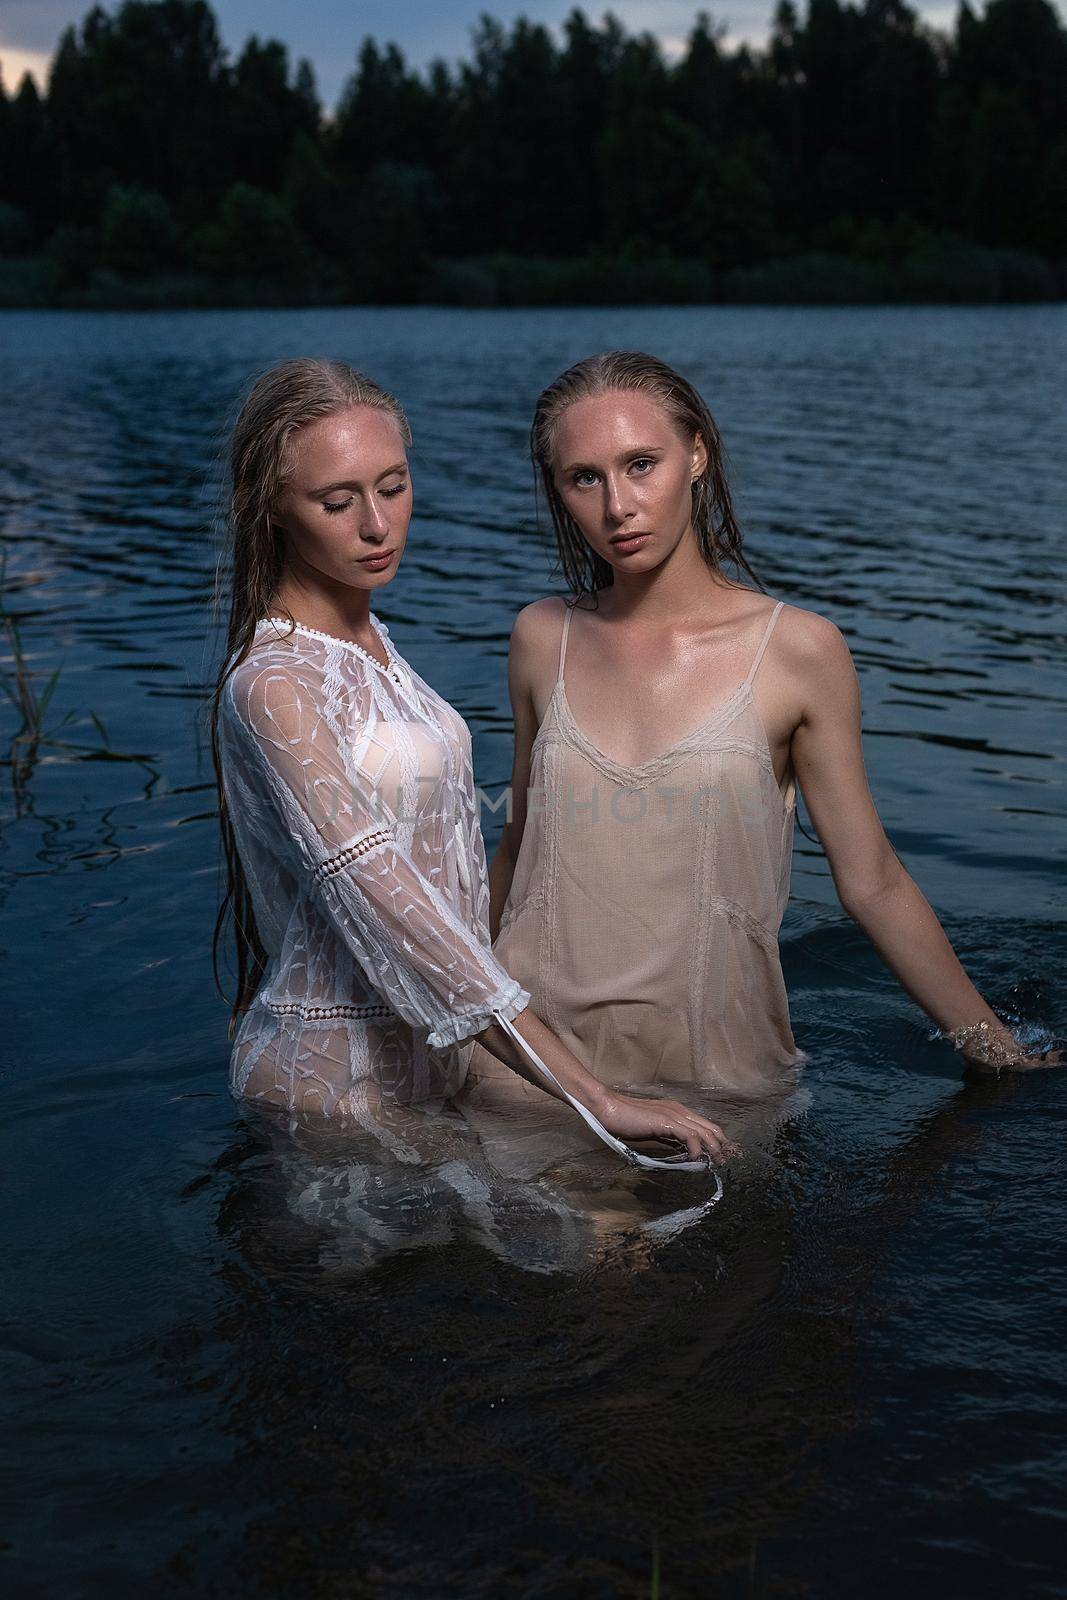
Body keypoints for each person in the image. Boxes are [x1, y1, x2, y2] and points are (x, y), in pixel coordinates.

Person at [461, 350, 1061, 1115]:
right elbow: (517, 844)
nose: (617, 505)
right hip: (529, 1072)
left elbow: (870, 879)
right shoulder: (543, 636)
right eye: (585, 477)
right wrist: (447, 1012)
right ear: (559, 490)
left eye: (641, 464)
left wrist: (995, 1052)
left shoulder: (797, 651)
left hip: (715, 1078)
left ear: (697, 456)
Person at [209, 356, 736, 1173]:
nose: (378, 526)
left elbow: (450, 880)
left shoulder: (369, 643)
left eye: (393, 485)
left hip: (436, 1062)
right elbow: (382, 895)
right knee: (593, 1254)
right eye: (337, 502)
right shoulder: (274, 684)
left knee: (602, 1255)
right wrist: (591, 1094)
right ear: (273, 508)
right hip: (334, 1088)